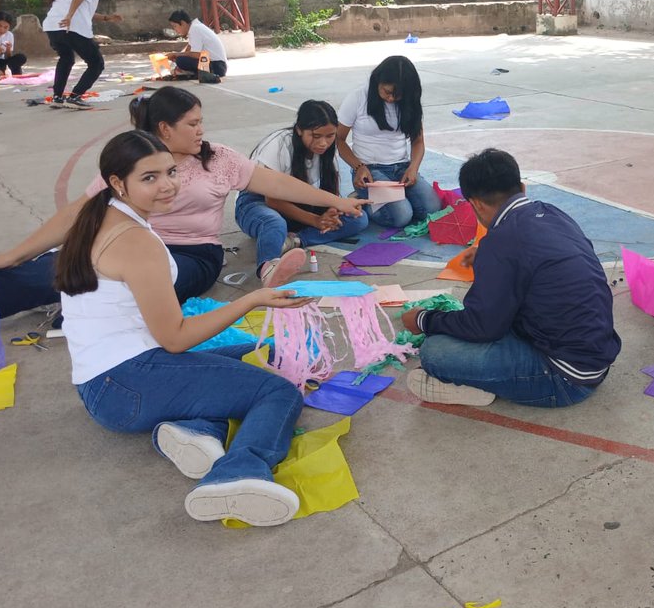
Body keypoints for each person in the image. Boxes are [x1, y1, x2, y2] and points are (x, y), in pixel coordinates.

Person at [57, 129, 309, 525]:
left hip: (112, 381)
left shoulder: (104, 214)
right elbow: (175, 338)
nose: (167, 186)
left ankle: (193, 431)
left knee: (259, 353)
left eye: (170, 172)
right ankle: (236, 474)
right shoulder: (135, 240)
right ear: (117, 183)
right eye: (149, 178)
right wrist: (250, 300)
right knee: (277, 391)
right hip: (128, 381)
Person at [0, 86, 367, 327]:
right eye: (192, 124)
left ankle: (87, 307)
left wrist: (337, 202)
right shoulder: (134, 161)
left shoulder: (219, 158)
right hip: (125, 249)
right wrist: (16, 253)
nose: (201, 130)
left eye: (200, 121)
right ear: (164, 129)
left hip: (192, 255)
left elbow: (278, 183)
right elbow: (78, 214)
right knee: (32, 274)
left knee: (142, 288)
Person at [401, 148, 621, 407]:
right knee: (483, 317)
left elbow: (482, 327)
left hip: (565, 378)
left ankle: (476, 387)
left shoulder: (501, 244)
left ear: (477, 204)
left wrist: (422, 319)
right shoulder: (552, 213)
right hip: (594, 358)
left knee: (435, 352)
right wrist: (487, 254)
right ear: (522, 188)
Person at [236, 100, 369, 286]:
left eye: (330, 136)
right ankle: (268, 269)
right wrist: (315, 220)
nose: (323, 143)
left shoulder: (327, 153)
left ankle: (295, 241)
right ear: (299, 130)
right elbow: (273, 201)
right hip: (258, 203)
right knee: (274, 223)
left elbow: (330, 192)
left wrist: (331, 212)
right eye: (316, 136)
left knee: (359, 218)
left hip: (301, 206)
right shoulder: (279, 145)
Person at [335, 55, 442, 229]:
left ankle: (388, 198)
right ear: (378, 81)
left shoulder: (409, 102)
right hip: (370, 170)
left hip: (401, 168)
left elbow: (418, 141)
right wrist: (358, 166)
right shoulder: (358, 97)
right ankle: (363, 199)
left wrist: (413, 168)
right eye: (387, 92)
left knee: (432, 209)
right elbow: (338, 139)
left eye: (397, 95)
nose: (391, 99)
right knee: (401, 217)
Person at [41, 0, 121, 109]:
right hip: (70, 27)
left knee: (66, 59)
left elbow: (83, 9)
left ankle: (57, 97)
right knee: (96, 63)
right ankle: (76, 96)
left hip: (52, 27)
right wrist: (69, 16)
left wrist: (106, 18)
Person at [168, 9, 227, 82]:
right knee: (180, 59)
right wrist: (177, 58)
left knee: (181, 60)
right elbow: (189, 49)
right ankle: (195, 72)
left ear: (183, 23)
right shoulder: (194, 28)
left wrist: (177, 55)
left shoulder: (195, 29)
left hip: (217, 66)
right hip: (217, 65)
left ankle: (203, 73)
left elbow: (196, 54)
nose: (175, 30)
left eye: (175, 26)